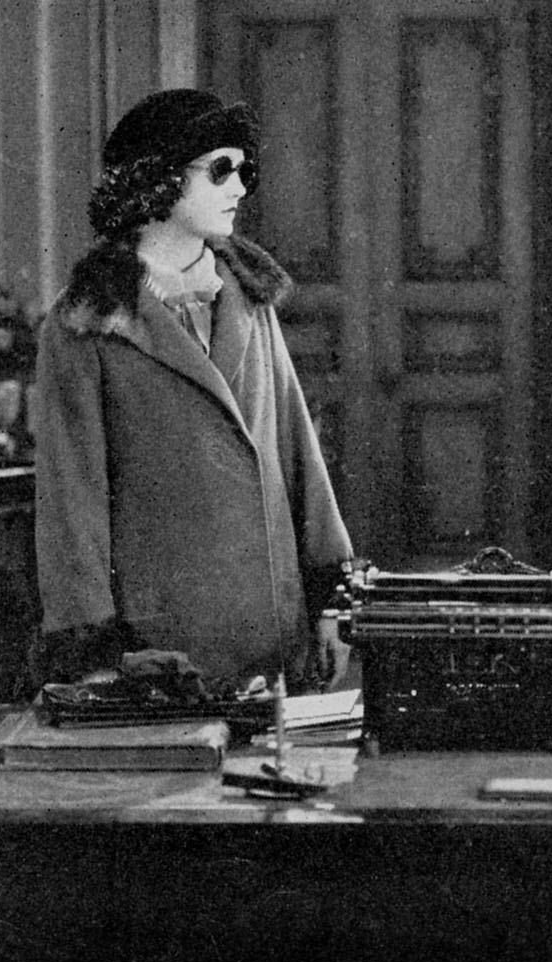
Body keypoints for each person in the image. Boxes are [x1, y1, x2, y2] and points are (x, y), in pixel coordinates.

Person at [33, 88, 354, 695]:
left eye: (245, 171)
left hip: (275, 631)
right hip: (164, 649)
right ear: (157, 179)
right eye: (221, 169)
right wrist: (91, 651)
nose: (240, 189)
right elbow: (71, 508)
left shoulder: (250, 298)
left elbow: (299, 453)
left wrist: (332, 596)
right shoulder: (84, 322)